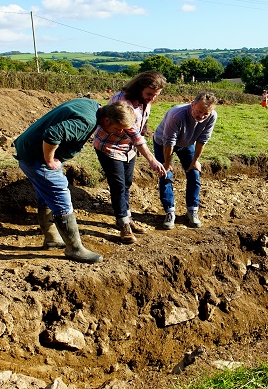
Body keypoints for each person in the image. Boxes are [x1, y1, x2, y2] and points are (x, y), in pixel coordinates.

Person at [14, 98, 136, 264]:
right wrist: (49, 160)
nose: (119, 133)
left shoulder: (92, 105)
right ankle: (74, 248)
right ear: (107, 120)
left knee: (47, 195)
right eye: (118, 128)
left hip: (29, 149)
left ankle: (51, 239)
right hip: (36, 157)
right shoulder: (86, 122)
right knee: (60, 196)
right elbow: (52, 134)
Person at [94, 71, 167, 244]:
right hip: (109, 146)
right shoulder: (122, 102)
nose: (152, 98)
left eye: (155, 95)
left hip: (128, 149)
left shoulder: (144, 101)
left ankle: (127, 217)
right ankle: (123, 224)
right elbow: (133, 133)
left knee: (127, 182)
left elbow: (141, 127)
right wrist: (151, 159)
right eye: (149, 94)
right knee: (118, 185)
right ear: (139, 88)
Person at [153, 92, 218, 229]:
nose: (201, 116)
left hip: (187, 143)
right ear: (192, 104)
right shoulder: (176, 115)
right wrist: (167, 163)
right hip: (163, 142)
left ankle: (192, 210)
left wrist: (195, 161)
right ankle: (170, 211)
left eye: (205, 114)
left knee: (194, 173)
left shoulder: (212, 116)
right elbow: (169, 142)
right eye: (199, 111)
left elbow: (202, 140)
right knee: (166, 175)